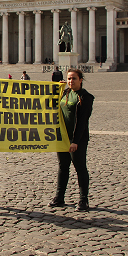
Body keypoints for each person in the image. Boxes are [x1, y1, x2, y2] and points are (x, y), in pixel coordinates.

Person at [49, 68, 94, 212]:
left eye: (74, 78)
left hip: (77, 139)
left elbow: (82, 122)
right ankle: (59, 197)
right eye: (69, 78)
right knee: (63, 166)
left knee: (80, 167)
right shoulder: (65, 92)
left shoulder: (85, 97)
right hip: (62, 137)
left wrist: (75, 141)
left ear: (81, 80)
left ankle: (83, 199)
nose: (71, 81)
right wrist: (59, 88)